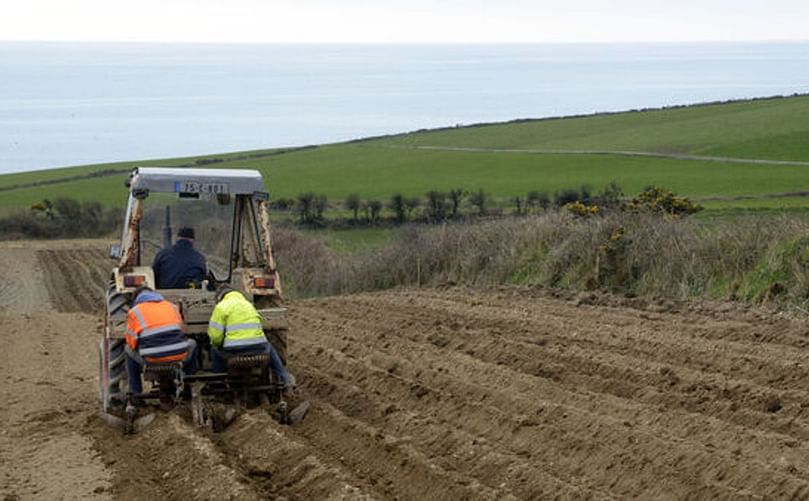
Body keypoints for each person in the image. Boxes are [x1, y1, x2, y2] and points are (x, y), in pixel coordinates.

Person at [207, 284, 292, 389]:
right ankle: (284, 377)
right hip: (259, 348)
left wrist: (219, 344)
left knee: (214, 348)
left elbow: (216, 338)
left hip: (234, 351)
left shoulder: (221, 307)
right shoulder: (248, 305)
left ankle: (218, 385)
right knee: (270, 348)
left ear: (220, 297)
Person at [125, 286, 197, 394]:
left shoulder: (134, 312)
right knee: (193, 343)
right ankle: (188, 386)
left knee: (127, 349)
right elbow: (181, 330)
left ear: (137, 299)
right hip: (178, 355)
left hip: (151, 359)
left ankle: (135, 392)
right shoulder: (172, 306)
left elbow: (132, 342)